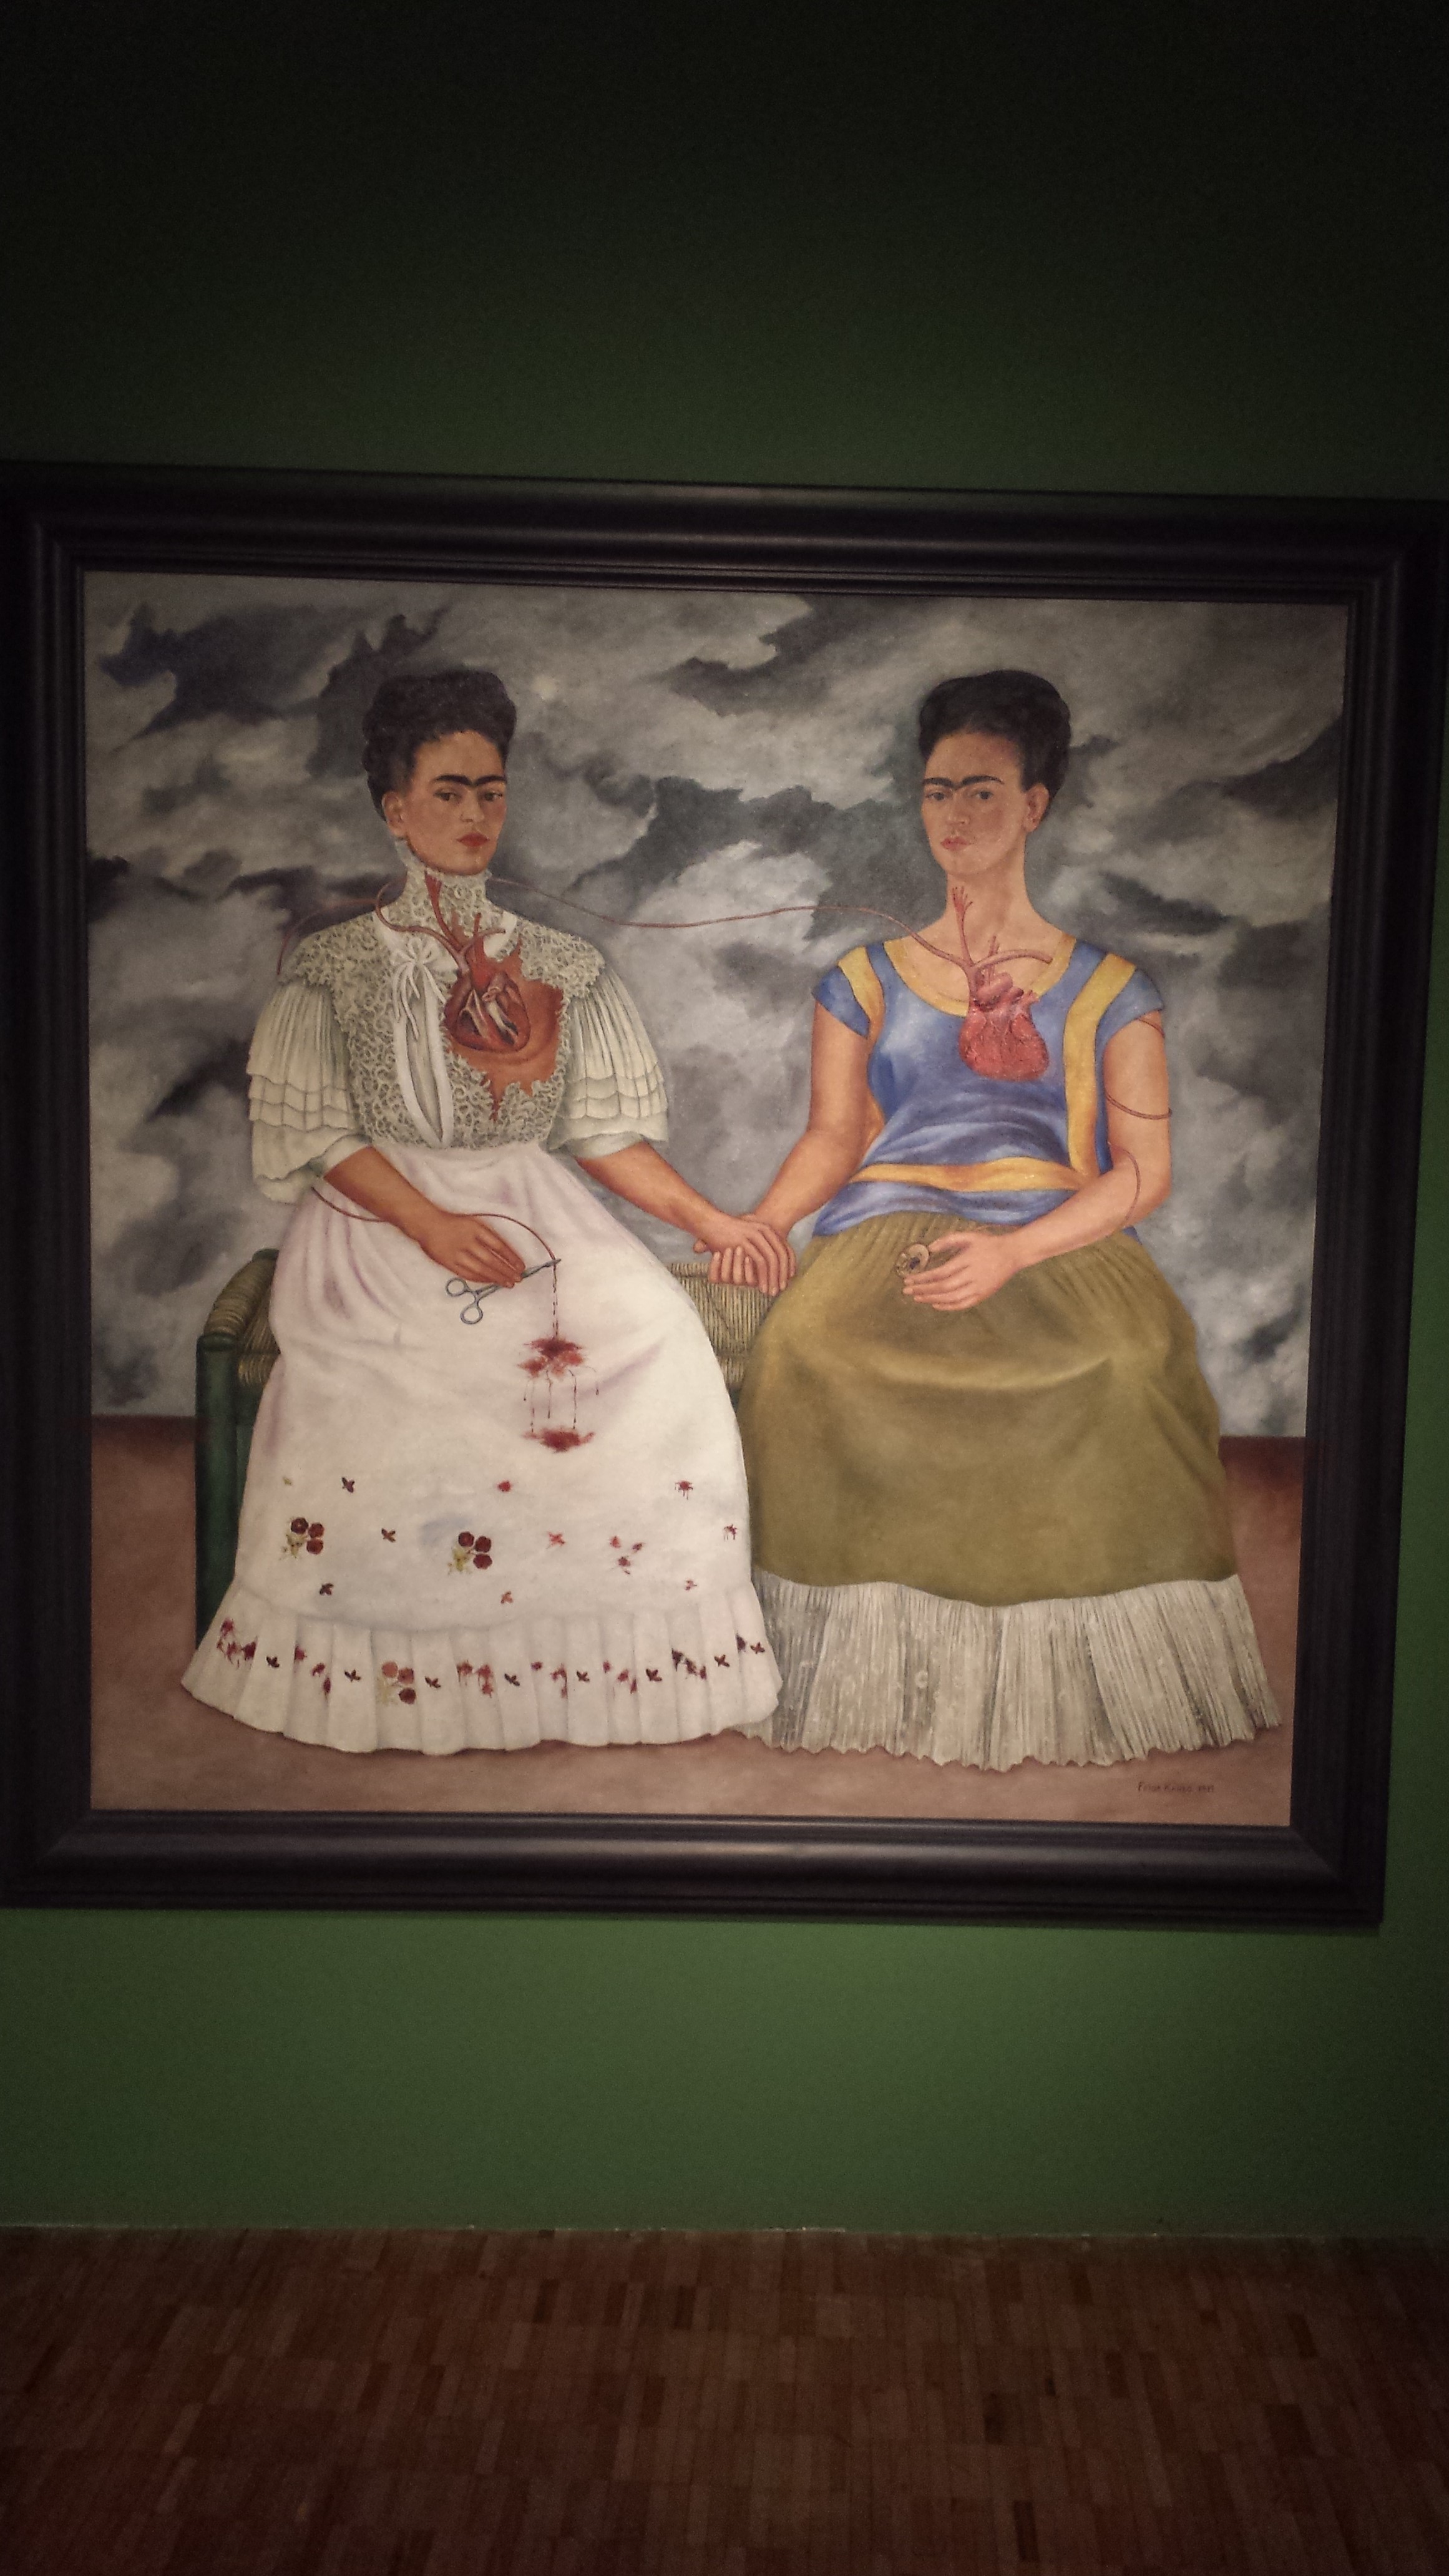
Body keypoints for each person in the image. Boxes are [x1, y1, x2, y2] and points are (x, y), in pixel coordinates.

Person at [185, 667, 789, 1754]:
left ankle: (586, 1670)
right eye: (449, 792)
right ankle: (416, 1674)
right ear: (395, 808)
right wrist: (429, 1222)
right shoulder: (335, 966)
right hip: (378, 1222)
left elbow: (601, 1134)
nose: (474, 815)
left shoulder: (560, 963)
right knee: (418, 1376)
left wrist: (711, 1223)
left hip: (537, 1209)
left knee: (654, 1336)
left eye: (491, 792)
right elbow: (320, 1136)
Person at [729, 668, 1278, 1769]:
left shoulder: (1111, 988)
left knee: (1123, 1363)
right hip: (883, 1233)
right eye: (936, 792)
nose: (953, 816)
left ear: (1033, 805)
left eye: (980, 792)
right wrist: (762, 1223)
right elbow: (835, 1138)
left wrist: (1013, 1252)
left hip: (1054, 1238)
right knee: (802, 1351)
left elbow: (1142, 1175)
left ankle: (1086, 1690)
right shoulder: (863, 977)